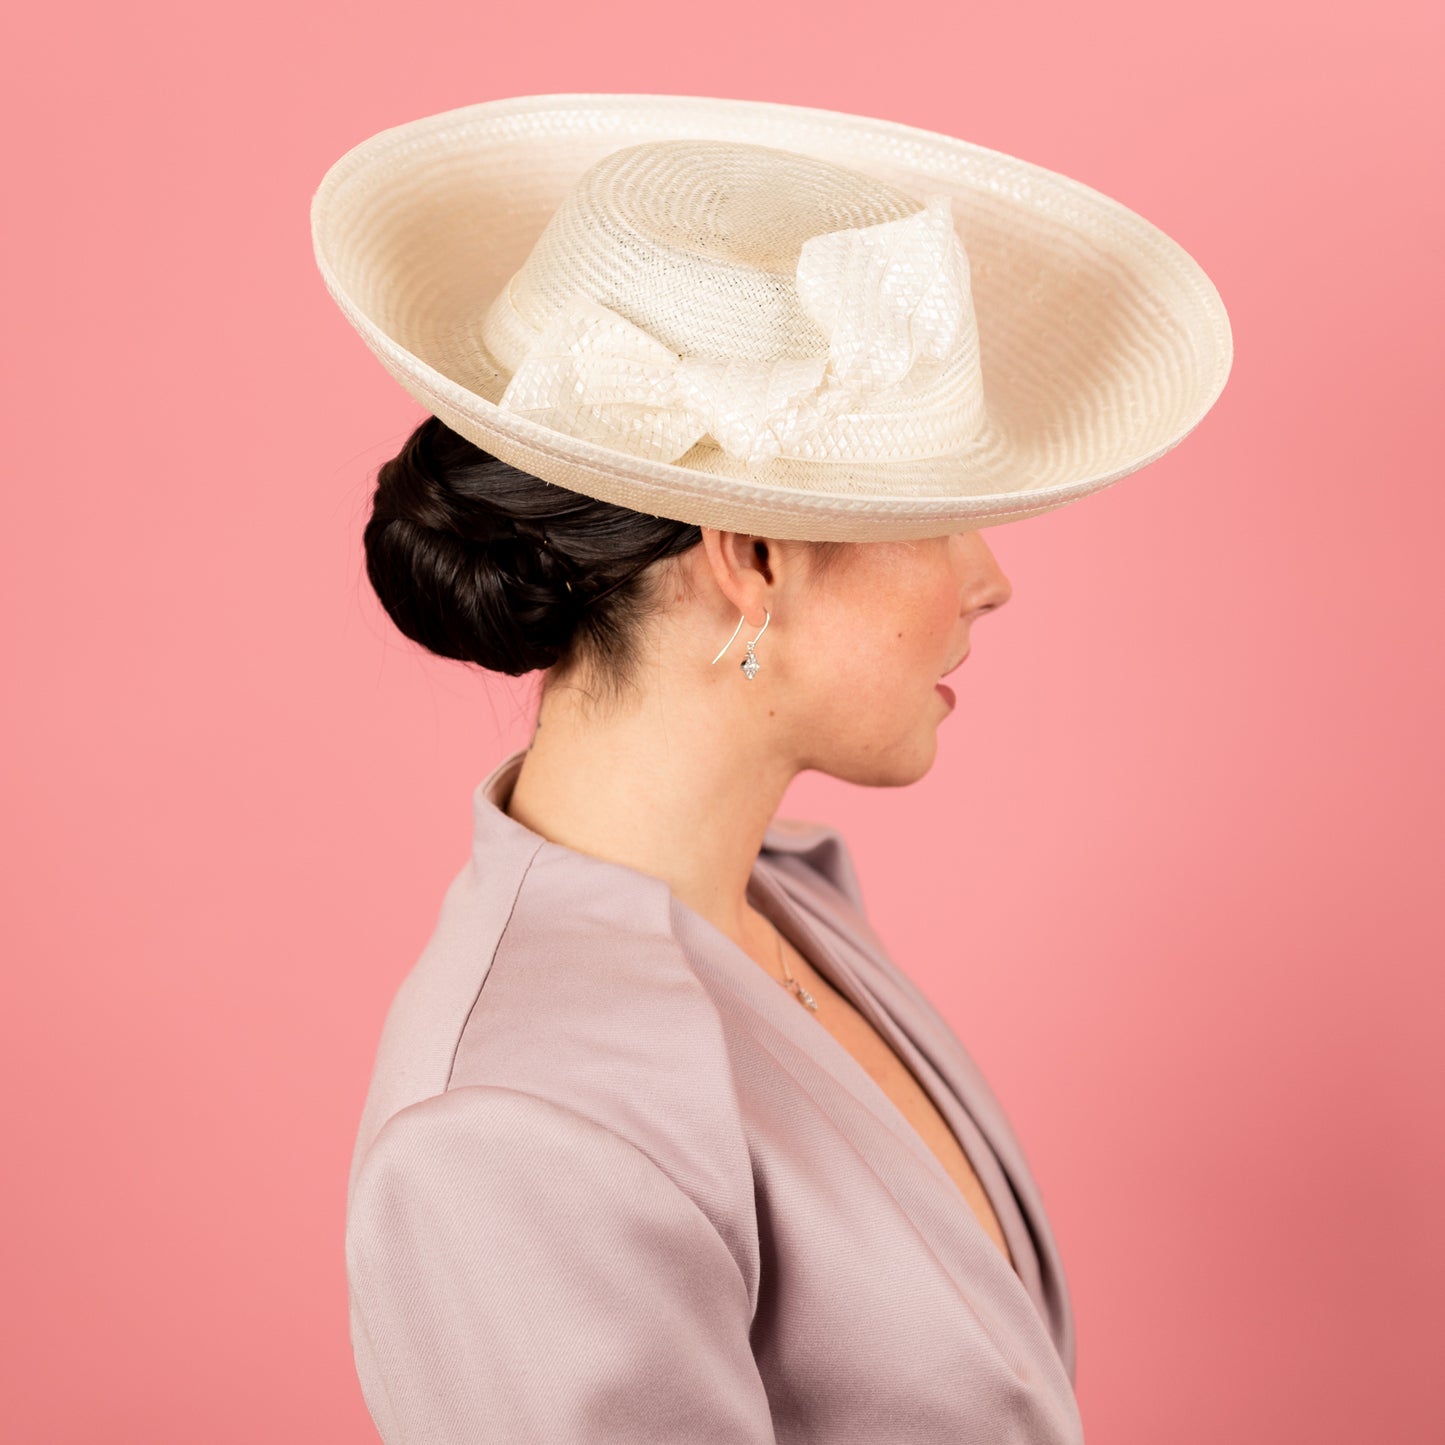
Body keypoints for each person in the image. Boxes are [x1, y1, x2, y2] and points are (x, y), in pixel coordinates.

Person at [312, 94, 1232, 1443]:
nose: (989, 580)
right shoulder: (513, 1125)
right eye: (937, 518)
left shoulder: (777, 906)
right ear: (749, 558)